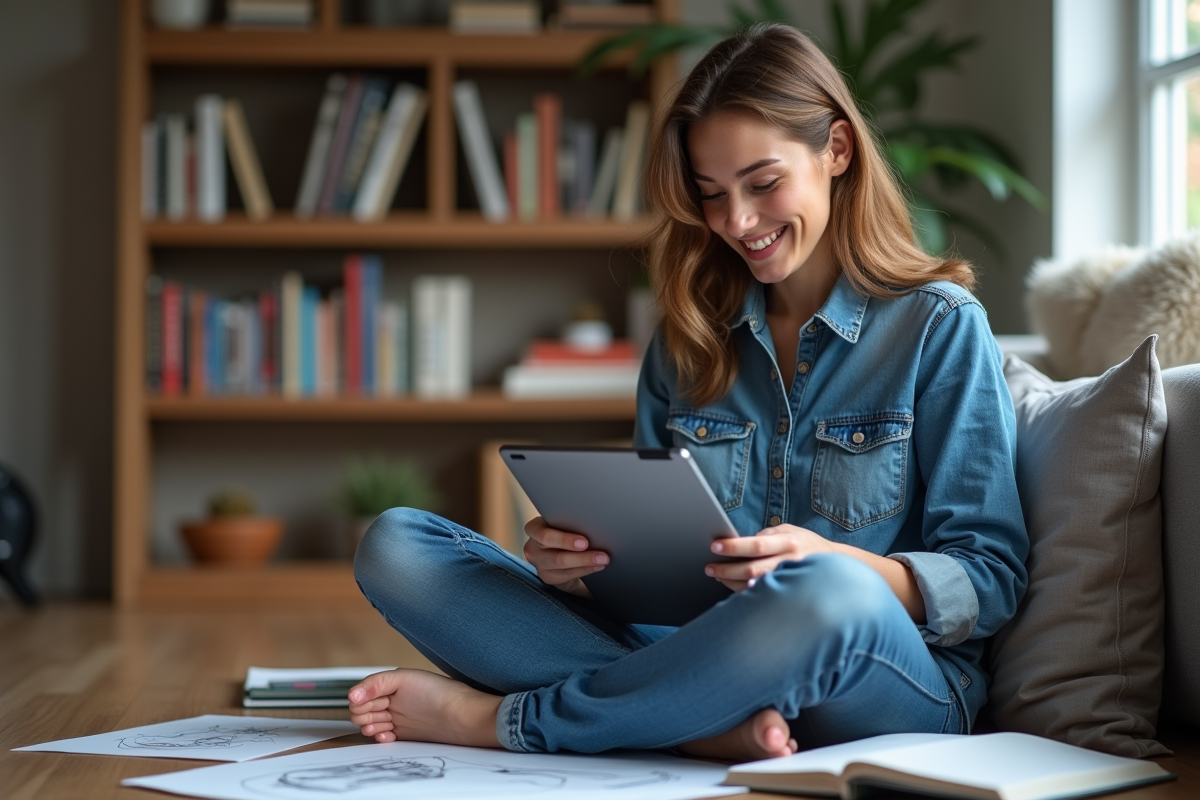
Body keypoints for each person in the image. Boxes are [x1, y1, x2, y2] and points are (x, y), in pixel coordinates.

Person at [348, 22, 1028, 763]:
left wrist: (837, 562)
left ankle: (506, 723)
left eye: (763, 184)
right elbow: (657, 581)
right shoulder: (688, 339)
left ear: (836, 149)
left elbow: (990, 578)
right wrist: (579, 574)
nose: (738, 222)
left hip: (883, 680)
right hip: (689, 651)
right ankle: (708, 730)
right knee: (399, 547)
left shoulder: (939, 327)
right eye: (712, 195)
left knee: (825, 595)